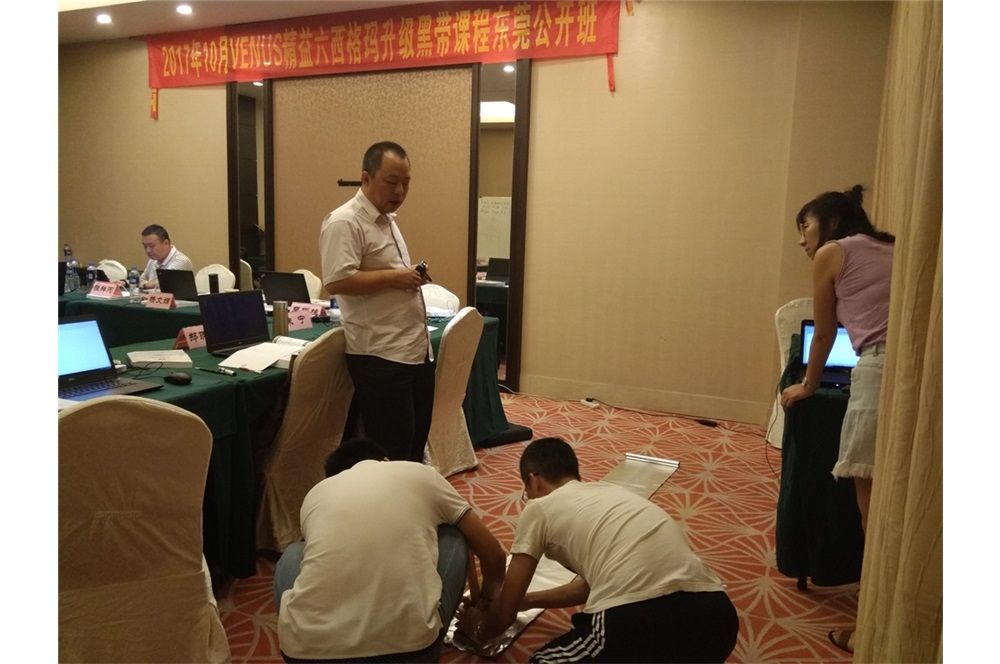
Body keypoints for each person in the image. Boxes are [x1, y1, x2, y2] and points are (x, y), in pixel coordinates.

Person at [456, 437, 739, 663]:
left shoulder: (539, 507)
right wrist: (527, 601)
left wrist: (477, 629)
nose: (527, 497)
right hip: (716, 619)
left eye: (525, 491)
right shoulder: (616, 493)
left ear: (533, 480)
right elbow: (587, 587)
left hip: (638, 620)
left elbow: (504, 612)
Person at [778, 184, 894, 654]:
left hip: (880, 371)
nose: (802, 240)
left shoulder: (833, 252)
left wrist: (808, 385)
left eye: (804, 226)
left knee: (874, 510)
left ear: (830, 222)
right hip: (925, 373)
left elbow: (824, 333)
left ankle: (873, 629)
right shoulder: (893, 246)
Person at [274, 437, 506, 663]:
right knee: (455, 533)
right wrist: (486, 603)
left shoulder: (315, 495)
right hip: (412, 652)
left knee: (295, 553)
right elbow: (493, 555)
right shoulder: (420, 473)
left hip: (304, 655)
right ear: (386, 460)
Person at [319, 141, 434, 462]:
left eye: (406, 183)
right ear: (366, 178)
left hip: (413, 351)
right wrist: (396, 277)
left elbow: (382, 272)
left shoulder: (387, 219)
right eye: (391, 181)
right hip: (380, 356)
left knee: (414, 448)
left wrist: (407, 275)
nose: (400, 191)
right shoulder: (345, 221)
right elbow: (337, 281)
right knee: (391, 452)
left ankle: (412, 497)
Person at [138, 224, 193, 289]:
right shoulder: (153, 260)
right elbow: (141, 280)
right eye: (145, 246)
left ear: (166, 243)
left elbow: (165, 284)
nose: (148, 250)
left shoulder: (181, 260)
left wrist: (145, 285)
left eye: (151, 246)